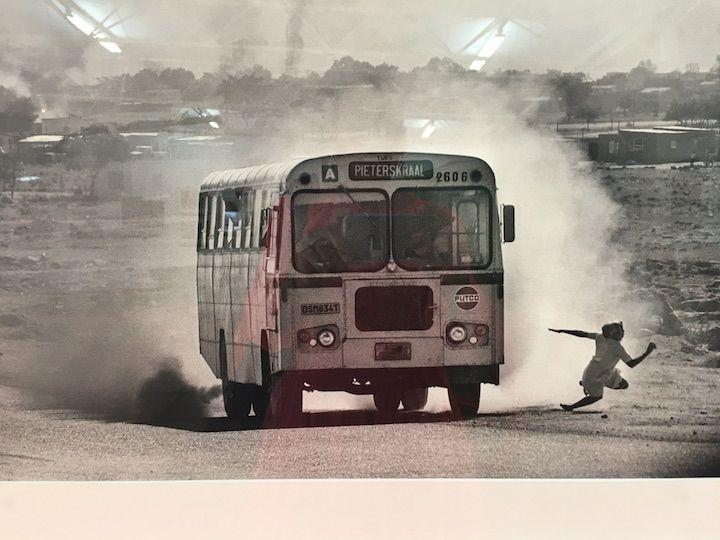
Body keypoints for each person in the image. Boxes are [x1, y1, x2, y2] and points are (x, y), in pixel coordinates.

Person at [549, 322, 656, 411]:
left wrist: (563, 330)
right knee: (597, 396)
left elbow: (581, 333)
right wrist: (647, 352)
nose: (622, 334)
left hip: (601, 372)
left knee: (624, 384)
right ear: (612, 333)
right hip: (594, 375)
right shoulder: (617, 347)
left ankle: (588, 384)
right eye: (620, 332)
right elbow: (631, 364)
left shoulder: (600, 337)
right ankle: (572, 406)